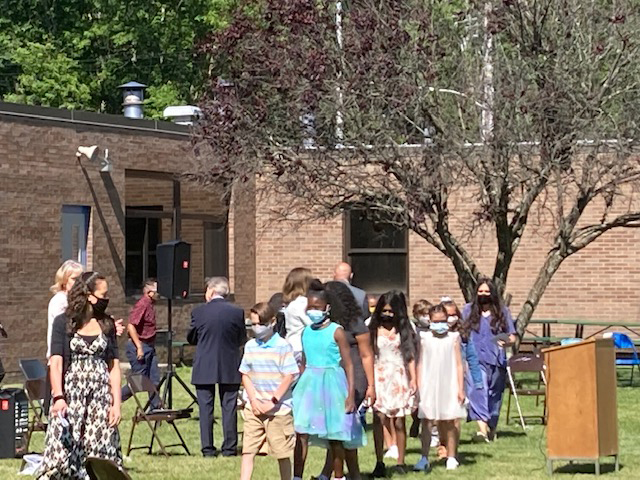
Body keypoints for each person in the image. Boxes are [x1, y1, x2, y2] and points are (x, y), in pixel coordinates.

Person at [38, 272, 122, 479]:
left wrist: (116, 404)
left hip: (100, 397)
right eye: (103, 293)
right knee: (63, 453)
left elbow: (114, 367)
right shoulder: (64, 323)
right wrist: (58, 397)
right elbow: (56, 363)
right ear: (89, 295)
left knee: (99, 450)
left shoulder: (107, 324)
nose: (106, 298)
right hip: (71, 395)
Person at [293, 281, 365, 480]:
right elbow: (304, 362)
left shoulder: (337, 331)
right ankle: (297, 475)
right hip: (310, 383)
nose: (313, 311)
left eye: (317, 307)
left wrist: (350, 395)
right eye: (310, 307)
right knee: (302, 432)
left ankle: (338, 475)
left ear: (327, 308)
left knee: (335, 434)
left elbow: (349, 364)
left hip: (332, 383)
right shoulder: (306, 332)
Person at [314, 281, 376, 480]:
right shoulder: (323, 323)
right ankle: (350, 474)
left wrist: (371, 386)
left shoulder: (355, 322)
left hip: (353, 376)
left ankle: (331, 473)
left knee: (341, 426)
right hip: (330, 375)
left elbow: (367, 354)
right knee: (337, 428)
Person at [188, 276, 246, 457]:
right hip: (229, 364)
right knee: (229, 407)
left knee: (206, 409)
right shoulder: (237, 312)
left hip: (205, 364)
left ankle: (208, 448)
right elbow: (241, 338)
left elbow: (192, 337)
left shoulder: (199, 312)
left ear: (211, 291)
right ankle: (229, 448)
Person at [240, 302, 299, 480]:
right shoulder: (250, 346)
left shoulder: (282, 346)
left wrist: (273, 401)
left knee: (282, 453)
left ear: (272, 322)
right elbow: (245, 374)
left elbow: (289, 376)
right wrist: (254, 400)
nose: (256, 328)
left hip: (279, 410)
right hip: (254, 408)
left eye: (260, 324)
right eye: (253, 324)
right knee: (248, 450)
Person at [369, 291, 418, 477]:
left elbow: (410, 355)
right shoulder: (371, 327)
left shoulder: (405, 328)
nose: (387, 315)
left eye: (391, 311)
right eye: (384, 311)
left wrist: (413, 378)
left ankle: (400, 461)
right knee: (379, 418)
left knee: (399, 420)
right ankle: (379, 461)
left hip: (399, 375)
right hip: (379, 375)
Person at [413, 304, 466, 473]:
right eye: (436, 321)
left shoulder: (454, 337)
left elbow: (458, 364)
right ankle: (424, 457)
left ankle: (451, 456)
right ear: (429, 321)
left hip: (448, 382)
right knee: (427, 421)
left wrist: (460, 388)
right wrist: (418, 385)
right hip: (429, 383)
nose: (440, 324)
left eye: (443, 321)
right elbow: (420, 362)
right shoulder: (424, 338)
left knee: (449, 420)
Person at [463, 277, 517, 442]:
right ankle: (482, 430)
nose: (483, 294)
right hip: (475, 359)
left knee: (494, 394)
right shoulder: (468, 310)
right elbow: (462, 331)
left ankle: (491, 427)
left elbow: (512, 336)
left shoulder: (502, 311)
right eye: (480, 291)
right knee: (478, 390)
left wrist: (505, 340)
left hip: (496, 359)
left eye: (486, 291)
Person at [437, 299, 484, 459]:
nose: (451, 319)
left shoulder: (462, 335)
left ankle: (452, 450)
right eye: (447, 315)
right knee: (440, 417)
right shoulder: (434, 335)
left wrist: (477, 381)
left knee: (454, 416)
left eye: (453, 315)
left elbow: (472, 357)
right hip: (438, 379)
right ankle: (442, 445)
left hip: (456, 380)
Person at [121, 278, 160, 408]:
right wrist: (139, 347)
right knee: (139, 381)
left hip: (150, 346)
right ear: (149, 292)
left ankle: (155, 408)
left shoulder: (150, 305)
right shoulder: (142, 304)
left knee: (154, 379)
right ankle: (113, 399)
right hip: (139, 346)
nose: (159, 295)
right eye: (157, 292)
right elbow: (131, 326)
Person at [47, 260, 83, 360]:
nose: (78, 283)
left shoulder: (77, 300)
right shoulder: (60, 300)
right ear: (64, 280)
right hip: (61, 353)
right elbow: (59, 330)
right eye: (74, 279)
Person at [409, 299, 432, 439]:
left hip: (429, 366)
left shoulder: (433, 330)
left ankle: (426, 425)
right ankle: (416, 419)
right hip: (416, 365)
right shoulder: (413, 330)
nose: (426, 317)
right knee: (415, 400)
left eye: (428, 313)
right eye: (423, 314)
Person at [282, 267, 314, 360]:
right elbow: (311, 324)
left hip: (290, 343)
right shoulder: (302, 302)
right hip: (300, 347)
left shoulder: (290, 302)